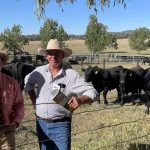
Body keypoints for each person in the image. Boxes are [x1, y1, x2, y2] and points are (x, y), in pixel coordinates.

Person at [24, 39, 99, 150]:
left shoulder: (71, 75)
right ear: (46, 56)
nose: (53, 56)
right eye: (50, 53)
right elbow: (27, 81)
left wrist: (80, 99)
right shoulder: (39, 71)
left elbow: (93, 92)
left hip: (61, 125)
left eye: (57, 53)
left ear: (62, 55)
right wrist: (34, 100)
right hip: (41, 124)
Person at [0, 52, 24, 150]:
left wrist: (16, 121)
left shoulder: (11, 82)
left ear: (1, 64)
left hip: (6, 131)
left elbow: (19, 104)